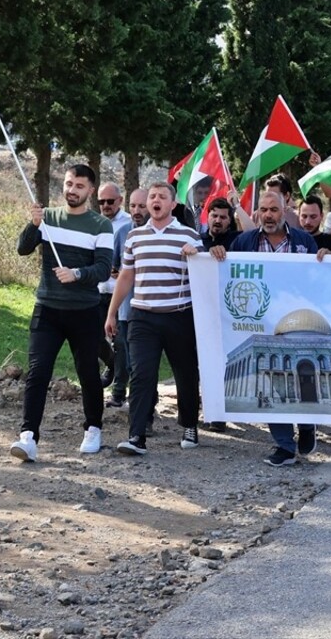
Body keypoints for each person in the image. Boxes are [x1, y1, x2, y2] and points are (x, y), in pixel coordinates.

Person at [212, 191, 331, 467]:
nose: (268, 215)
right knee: (271, 378)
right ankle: (284, 446)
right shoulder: (244, 242)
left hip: (300, 323)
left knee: (303, 377)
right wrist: (216, 253)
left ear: (284, 211)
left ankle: (306, 423)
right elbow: (226, 269)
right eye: (263, 210)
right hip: (264, 325)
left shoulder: (303, 242)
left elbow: (321, 274)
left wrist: (326, 257)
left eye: (273, 210)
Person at [10, 164, 115, 462]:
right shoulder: (49, 217)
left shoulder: (100, 225)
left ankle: (93, 427)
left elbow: (104, 269)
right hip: (48, 310)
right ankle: (28, 437)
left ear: (90, 191)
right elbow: (22, 249)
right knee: (38, 372)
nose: (72, 190)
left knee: (88, 374)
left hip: (84, 312)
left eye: (79, 186)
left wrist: (77, 273)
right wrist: (33, 224)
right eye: (69, 184)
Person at [107, 182, 204, 456]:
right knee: (141, 375)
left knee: (186, 374)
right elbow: (126, 276)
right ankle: (136, 436)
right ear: (147, 203)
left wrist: (197, 256)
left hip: (179, 316)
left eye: (162, 196)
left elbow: (204, 274)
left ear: (173, 204)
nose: (156, 200)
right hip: (142, 317)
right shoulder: (134, 237)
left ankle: (189, 425)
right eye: (152, 197)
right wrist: (112, 312)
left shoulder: (189, 235)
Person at [106, 188, 150, 409]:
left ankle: (144, 403)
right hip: (125, 306)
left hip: (150, 308)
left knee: (141, 361)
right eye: (133, 206)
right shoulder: (122, 232)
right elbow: (114, 267)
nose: (137, 211)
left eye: (142, 206)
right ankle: (118, 392)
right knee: (122, 351)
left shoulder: (157, 234)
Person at [96, 182, 129, 386]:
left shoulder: (127, 224)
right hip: (98, 290)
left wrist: (122, 272)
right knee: (94, 337)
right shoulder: (94, 222)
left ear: (120, 201)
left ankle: (118, 391)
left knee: (120, 342)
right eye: (101, 201)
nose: (106, 205)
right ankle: (112, 364)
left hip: (120, 292)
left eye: (110, 201)